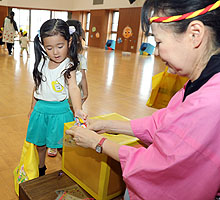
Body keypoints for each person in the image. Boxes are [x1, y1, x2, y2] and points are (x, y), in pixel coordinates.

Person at [66, 0, 220, 199]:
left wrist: (98, 142)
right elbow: (162, 123)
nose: (156, 52)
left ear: (195, 34)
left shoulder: (210, 102)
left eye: (159, 42)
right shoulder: (202, 81)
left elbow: (161, 166)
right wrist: (105, 124)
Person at [26, 19, 88, 176]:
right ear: (42, 45)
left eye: (60, 46)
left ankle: (69, 169)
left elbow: (73, 87)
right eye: (49, 48)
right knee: (39, 144)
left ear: (69, 41)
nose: (55, 52)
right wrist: (32, 108)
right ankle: (41, 168)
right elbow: (37, 86)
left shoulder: (69, 65)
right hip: (40, 110)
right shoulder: (41, 63)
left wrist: (78, 110)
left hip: (60, 112)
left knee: (62, 145)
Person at [47, 20, 89, 157]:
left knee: (71, 118)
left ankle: (66, 141)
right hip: (61, 94)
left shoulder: (80, 58)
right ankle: (54, 144)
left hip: (75, 92)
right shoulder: (55, 59)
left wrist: (85, 92)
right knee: (59, 119)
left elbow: (82, 77)